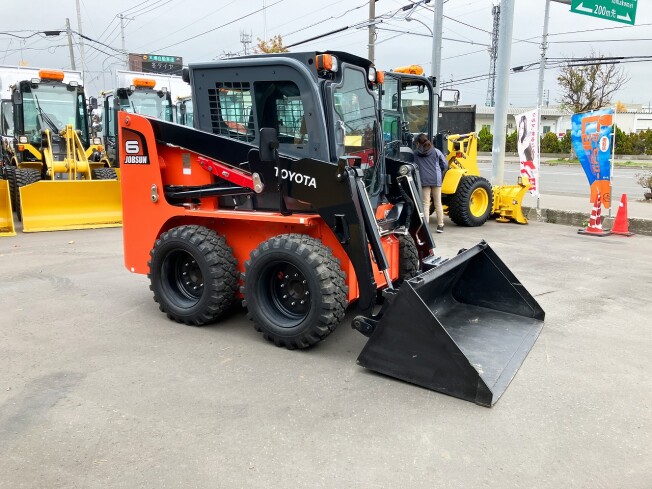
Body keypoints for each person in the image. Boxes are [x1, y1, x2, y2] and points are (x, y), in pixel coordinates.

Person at [413, 133, 448, 233]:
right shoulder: (436, 151)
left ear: (418, 143)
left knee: (425, 203)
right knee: (438, 203)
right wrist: (439, 171)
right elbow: (445, 164)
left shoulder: (416, 153)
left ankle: (426, 227)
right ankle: (440, 225)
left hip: (424, 180)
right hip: (436, 179)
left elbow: (415, 166)